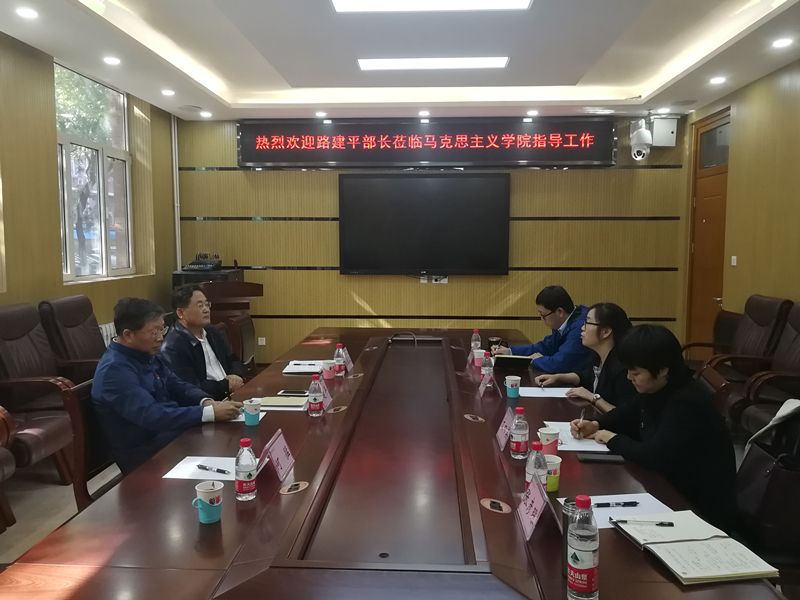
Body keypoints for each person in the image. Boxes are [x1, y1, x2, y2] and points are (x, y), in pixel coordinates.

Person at [569, 325, 738, 532]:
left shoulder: (685, 404)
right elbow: (630, 411)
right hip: (669, 487)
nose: (629, 377)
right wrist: (597, 424)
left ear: (662, 370)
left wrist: (611, 438)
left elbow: (654, 457)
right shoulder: (660, 387)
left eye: (635, 372)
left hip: (699, 510)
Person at [92, 298, 242, 474]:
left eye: (162, 329)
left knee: (235, 442)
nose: (160, 338)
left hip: (171, 436)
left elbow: (176, 385)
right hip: (148, 455)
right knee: (231, 452)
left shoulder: (143, 354)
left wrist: (206, 402)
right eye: (153, 332)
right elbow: (153, 416)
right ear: (128, 335)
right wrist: (208, 413)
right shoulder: (115, 371)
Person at [535, 303, 636, 411]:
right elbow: (585, 376)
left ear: (605, 332)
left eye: (588, 323)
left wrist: (593, 398)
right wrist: (558, 377)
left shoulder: (623, 368)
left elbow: (627, 415)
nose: (582, 328)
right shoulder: (597, 356)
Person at [160, 285, 245, 401]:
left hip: (231, 394)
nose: (206, 310)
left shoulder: (211, 331)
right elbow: (190, 387)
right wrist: (226, 385)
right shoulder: (172, 347)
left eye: (207, 304)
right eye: (200, 306)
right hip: (208, 403)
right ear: (181, 313)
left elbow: (232, 359)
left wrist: (235, 376)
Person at [492, 285, 593, 374]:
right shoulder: (565, 320)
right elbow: (546, 346)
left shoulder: (580, 328)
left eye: (543, 315)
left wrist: (537, 359)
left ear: (559, 312)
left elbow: (559, 364)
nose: (542, 319)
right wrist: (510, 352)